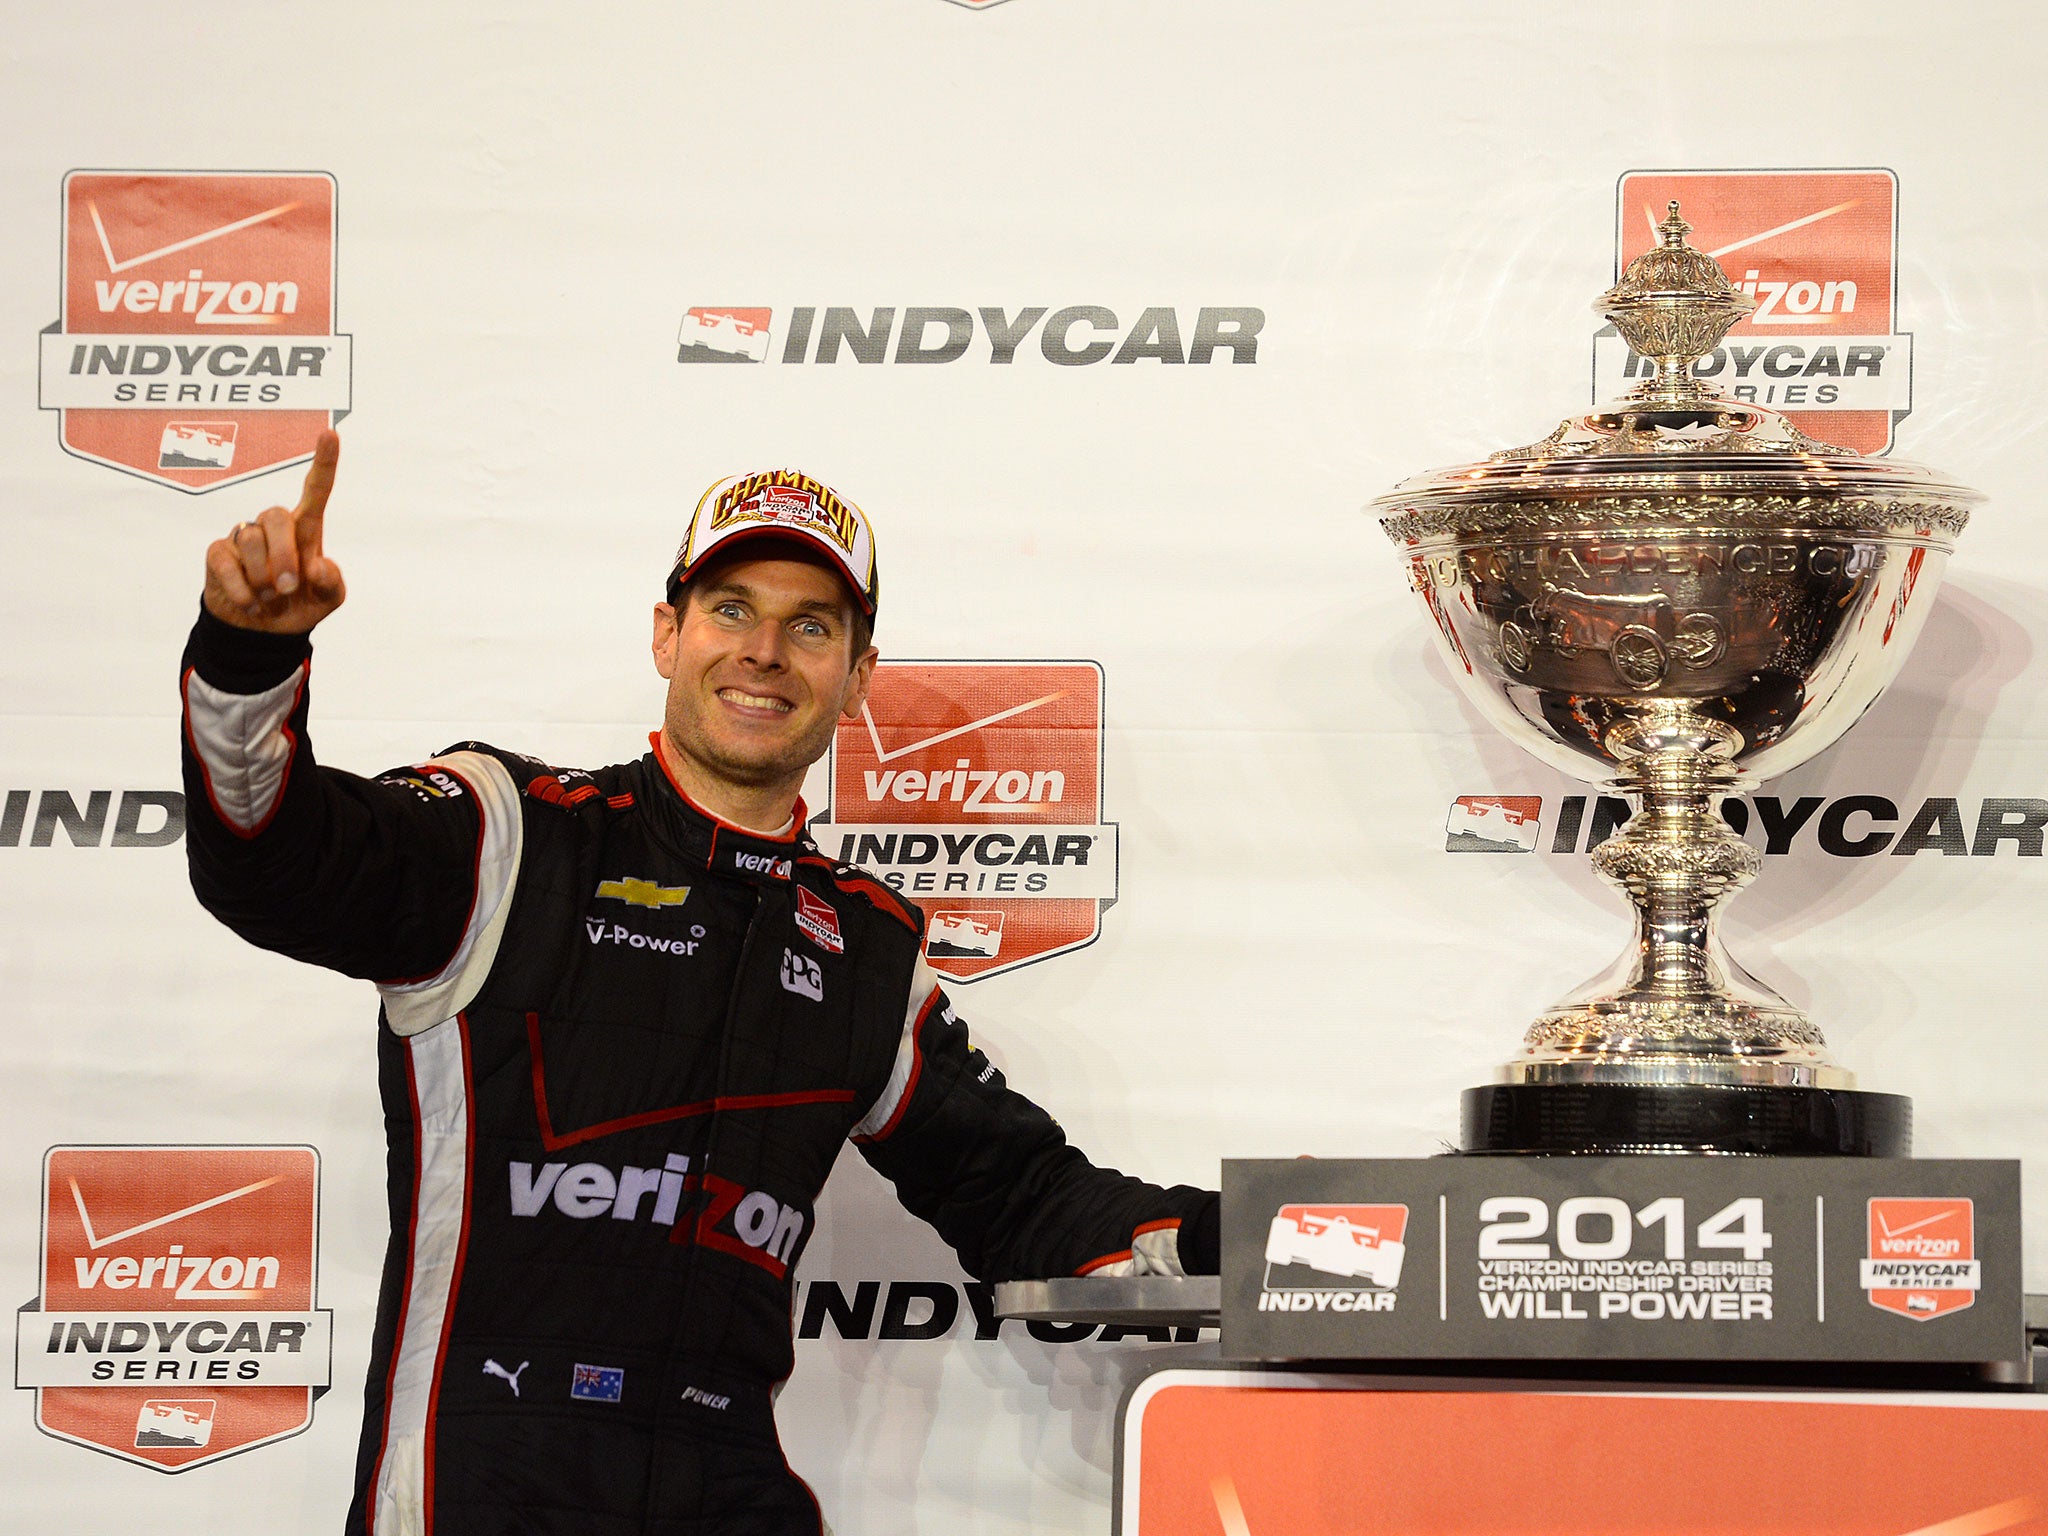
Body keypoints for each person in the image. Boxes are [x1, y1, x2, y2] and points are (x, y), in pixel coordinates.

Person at [180, 432, 1219, 1536]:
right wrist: (248, 658)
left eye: (810, 626)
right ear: (667, 634)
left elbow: (1030, 1204)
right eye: (730, 608)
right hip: (477, 1495)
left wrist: (1281, 1234)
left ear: (857, 676)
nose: (765, 651)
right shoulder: (507, 837)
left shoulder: (863, 949)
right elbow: (267, 858)